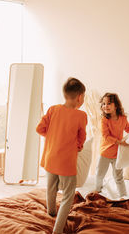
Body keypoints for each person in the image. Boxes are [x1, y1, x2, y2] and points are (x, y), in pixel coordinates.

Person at [36, 77, 87, 234]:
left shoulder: (53, 109)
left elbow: (40, 128)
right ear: (79, 97)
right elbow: (81, 138)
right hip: (66, 162)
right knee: (68, 196)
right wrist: (78, 147)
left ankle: (51, 213)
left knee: (50, 187)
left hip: (51, 158)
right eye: (83, 97)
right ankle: (57, 230)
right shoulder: (81, 116)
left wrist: (53, 137)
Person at [95, 92, 129, 197]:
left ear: (116, 105)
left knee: (118, 177)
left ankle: (123, 196)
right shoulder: (104, 120)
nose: (105, 106)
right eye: (103, 104)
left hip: (117, 153)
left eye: (109, 103)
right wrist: (120, 142)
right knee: (100, 175)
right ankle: (97, 192)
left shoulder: (123, 118)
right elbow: (106, 136)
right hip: (105, 153)